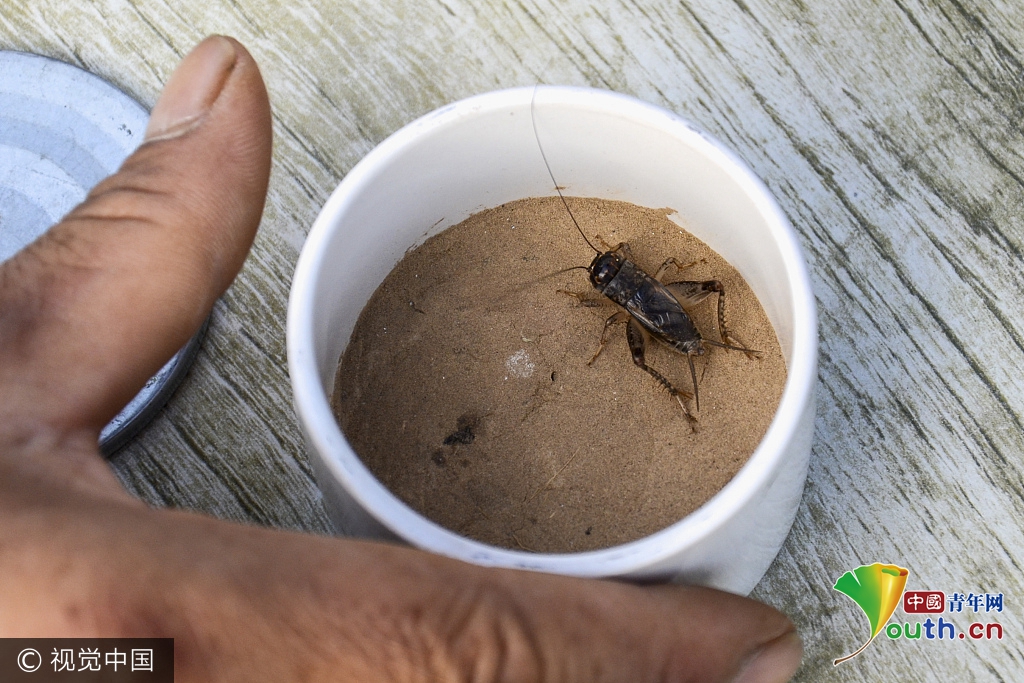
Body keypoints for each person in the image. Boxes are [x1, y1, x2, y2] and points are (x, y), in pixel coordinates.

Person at [0, 36, 802, 682]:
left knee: (663, 329)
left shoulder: (623, 285)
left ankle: (704, 365)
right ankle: (701, 366)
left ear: (617, 274)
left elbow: (88, 660)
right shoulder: (621, 285)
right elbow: (94, 659)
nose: (609, 275)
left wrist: (49, 662)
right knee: (653, 336)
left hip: (662, 323)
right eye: (607, 275)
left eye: (608, 272)